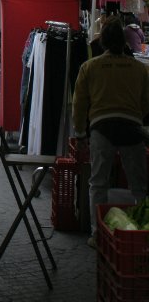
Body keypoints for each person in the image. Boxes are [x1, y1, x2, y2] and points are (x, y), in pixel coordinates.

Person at [72, 15, 149, 247]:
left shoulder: (89, 67)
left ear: (103, 41)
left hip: (101, 128)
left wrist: (80, 134)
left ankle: (98, 234)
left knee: (98, 183)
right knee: (139, 185)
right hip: (131, 128)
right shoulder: (139, 69)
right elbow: (146, 103)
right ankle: (141, 232)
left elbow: (80, 104)